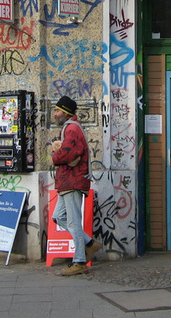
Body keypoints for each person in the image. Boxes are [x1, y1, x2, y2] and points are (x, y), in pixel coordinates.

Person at [50, 96, 101, 275]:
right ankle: (90, 244)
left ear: (65, 112)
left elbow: (67, 154)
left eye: (57, 111)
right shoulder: (70, 128)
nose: (55, 114)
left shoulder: (71, 129)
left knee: (73, 222)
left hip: (73, 180)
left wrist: (55, 156)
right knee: (58, 217)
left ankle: (79, 262)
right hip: (67, 181)